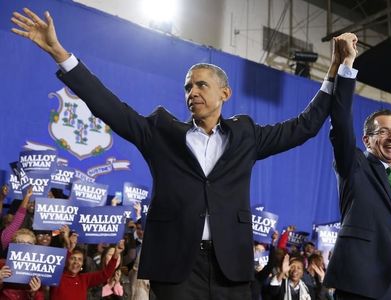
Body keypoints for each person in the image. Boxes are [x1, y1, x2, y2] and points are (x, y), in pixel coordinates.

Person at [11, 8, 356, 300]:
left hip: (230, 269)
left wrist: (333, 71)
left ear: (225, 92)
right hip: (176, 269)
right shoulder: (161, 131)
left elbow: (305, 126)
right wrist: (60, 53)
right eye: (188, 86)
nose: (192, 91)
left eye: (201, 84)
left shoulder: (246, 135)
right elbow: (110, 107)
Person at [324, 33, 391, 299]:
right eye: (385, 132)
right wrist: (346, 66)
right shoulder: (354, 164)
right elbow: (341, 122)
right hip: (360, 284)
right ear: (366, 139)